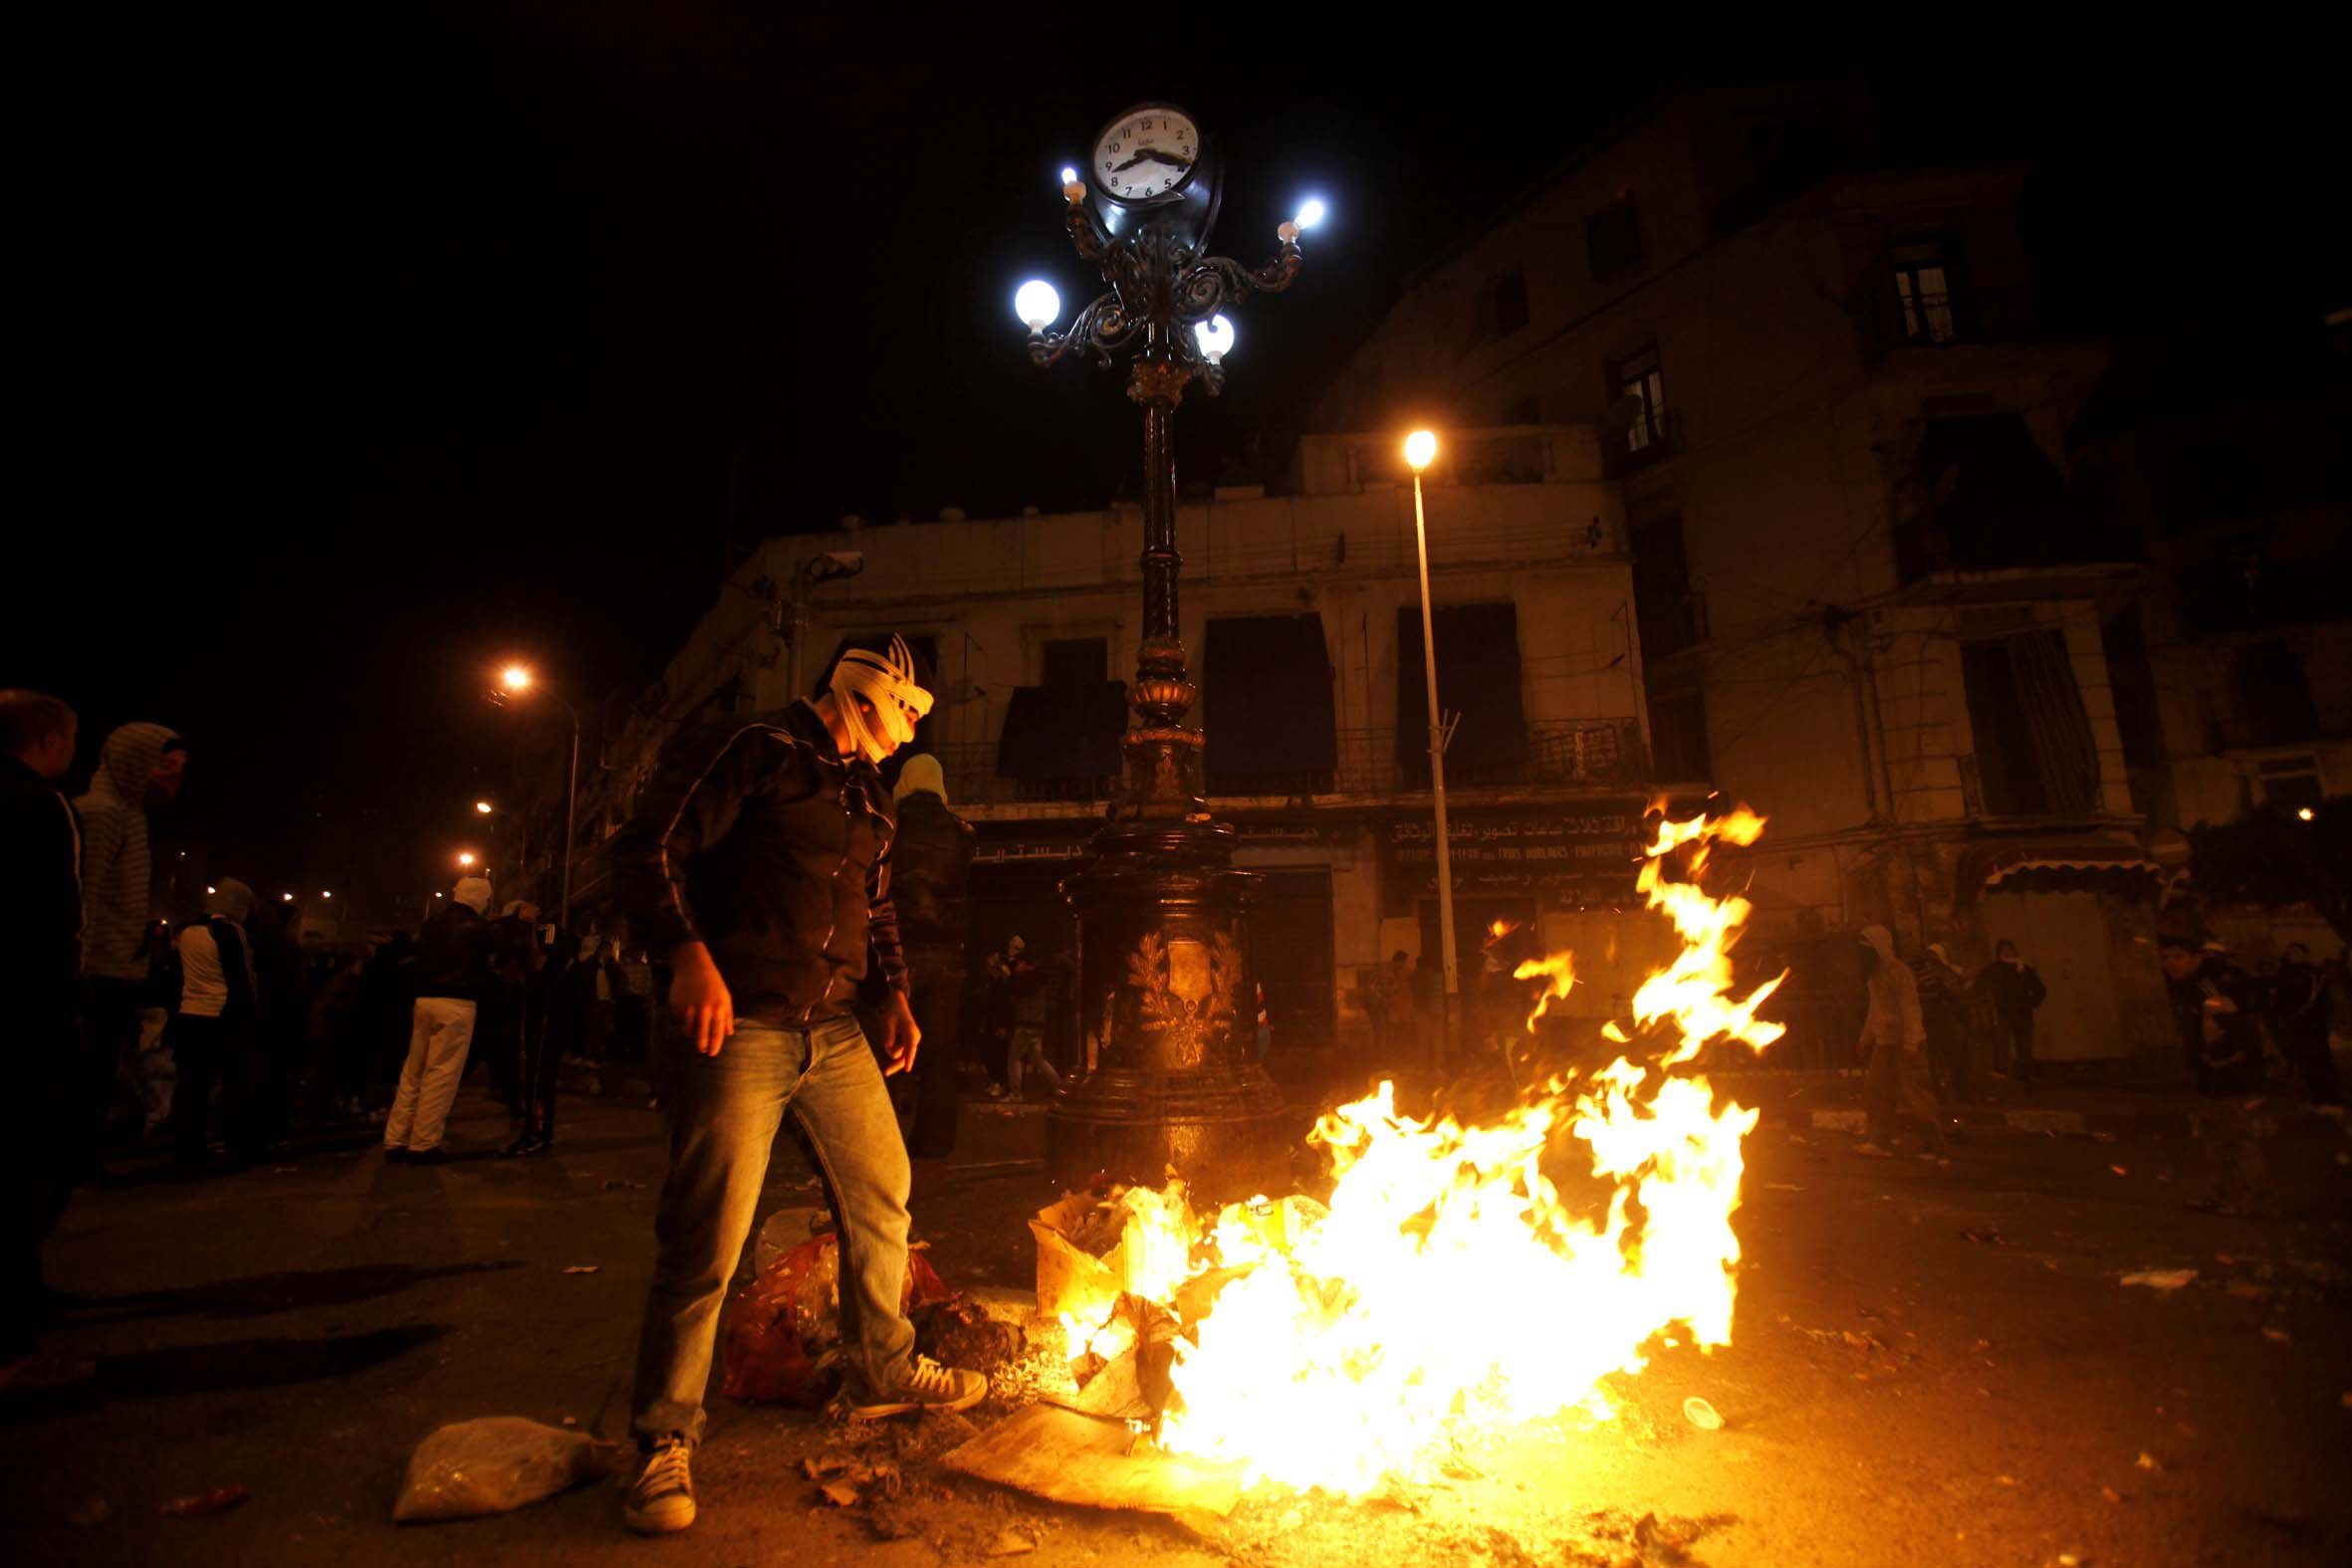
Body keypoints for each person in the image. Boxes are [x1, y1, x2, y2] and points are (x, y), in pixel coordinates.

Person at [608, 633, 987, 1535]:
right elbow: (649, 846)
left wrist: (891, 993)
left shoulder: (871, 795)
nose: (904, 736)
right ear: (862, 695)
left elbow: (878, 903)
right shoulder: (757, 751)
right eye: (903, 712)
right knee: (707, 1232)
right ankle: (664, 1438)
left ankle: (881, 1368)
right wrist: (687, 955)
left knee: (883, 1191)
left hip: (835, 1028)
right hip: (742, 1022)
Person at [0, 690, 88, 1388]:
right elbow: (56, 914)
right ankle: (12, 1340)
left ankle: (23, 1292)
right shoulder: (38, 806)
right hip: (26, 1007)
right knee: (29, 1156)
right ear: (49, 740)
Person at [74, 721, 185, 1176]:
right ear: (133, 761)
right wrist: (77, 971)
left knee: (102, 1077)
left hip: (116, 970)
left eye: (180, 769)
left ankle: (81, 1157)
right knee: (86, 1076)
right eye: (165, 765)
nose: (172, 778)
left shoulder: (132, 816)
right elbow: (84, 897)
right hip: (94, 973)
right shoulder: (102, 813)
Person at [886, 754, 974, 1159]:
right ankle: (935, 1140)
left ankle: (879, 1138)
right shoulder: (962, 833)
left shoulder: (890, 826)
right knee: (940, 1053)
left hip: (897, 949)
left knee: (884, 1046)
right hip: (946, 954)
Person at [383, 874, 494, 1164]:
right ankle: (424, 1143)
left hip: (424, 1001)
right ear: (481, 898)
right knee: (441, 1074)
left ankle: (396, 1139)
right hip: (456, 1003)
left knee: (413, 1071)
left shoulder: (432, 923)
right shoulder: (479, 928)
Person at [165, 879, 262, 1171]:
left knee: (192, 1086)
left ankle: (187, 1146)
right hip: (222, 1018)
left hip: (189, 1015)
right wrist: (251, 1017)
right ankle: (235, 1145)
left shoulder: (189, 932)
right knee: (234, 1084)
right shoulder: (229, 932)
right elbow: (243, 979)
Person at [1856, 925, 1947, 1158]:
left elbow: (1911, 1009)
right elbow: (1874, 1009)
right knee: (1877, 1092)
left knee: (1916, 1096)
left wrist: (1910, 1044)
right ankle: (1879, 1141)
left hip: (1905, 1044)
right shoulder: (1874, 975)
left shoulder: (1899, 973)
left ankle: (1934, 1145)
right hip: (1885, 1043)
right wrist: (1865, 1039)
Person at [2160, 936, 2262, 1096]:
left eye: (2178, 956)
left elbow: (2237, 1026)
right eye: (2165, 958)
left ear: (2196, 958)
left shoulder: (2206, 988)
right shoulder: (2185, 986)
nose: (2170, 963)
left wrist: (2220, 1062)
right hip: (2208, 1067)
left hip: (2224, 1070)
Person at [2266, 943, 2341, 1106]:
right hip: (2299, 1027)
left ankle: (2329, 1099)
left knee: (2320, 1062)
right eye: (2290, 953)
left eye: (2296, 952)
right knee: (2309, 1064)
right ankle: (2322, 1099)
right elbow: (2280, 1001)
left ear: (2304, 955)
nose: (2293, 955)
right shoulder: (2288, 975)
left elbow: (2326, 1003)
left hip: (2313, 1027)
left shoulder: (2314, 976)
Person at [1973, 940, 2047, 1083]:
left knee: (2025, 1046)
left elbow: (2040, 989)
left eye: (2010, 949)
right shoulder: (1993, 969)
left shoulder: (2024, 969)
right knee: (2002, 1044)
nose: (2007, 952)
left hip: (2023, 1013)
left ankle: (2023, 1075)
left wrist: (2031, 1002)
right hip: (2003, 1014)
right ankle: (2001, 1073)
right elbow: (1979, 986)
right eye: (2004, 950)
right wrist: (1986, 1002)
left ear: (2014, 950)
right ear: (1999, 952)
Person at [1909, 941, 1972, 1104]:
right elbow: (1949, 995)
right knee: (1950, 1060)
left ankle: (1945, 1095)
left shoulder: (1926, 973)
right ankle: (1959, 1096)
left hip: (1933, 1021)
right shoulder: (1938, 973)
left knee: (1939, 1062)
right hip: (1939, 1021)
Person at [1382, 951, 1417, 1069]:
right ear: (1398, 961)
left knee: (1404, 1036)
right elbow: (1387, 990)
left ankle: (1403, 1060)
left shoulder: (1406, 971)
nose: (1405, 964)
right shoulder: (1388, 972)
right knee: (1394, 1037)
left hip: (1404, 1011)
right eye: (1403, 961)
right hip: (1395, 1011)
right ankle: (1393, 1061)